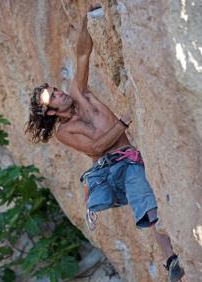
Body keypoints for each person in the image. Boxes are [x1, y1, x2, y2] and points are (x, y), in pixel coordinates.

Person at [25, 6, 185, 282]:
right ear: (51, 112)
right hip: (113, 165)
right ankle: (171, 258)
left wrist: (85, 19)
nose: (60, 92)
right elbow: (97, 147)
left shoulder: (80, 94)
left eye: (55, 89)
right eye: (54, 96)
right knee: (143, 198)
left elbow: (83, 53)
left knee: (147, 203)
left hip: (127, 157)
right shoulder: (66, 131)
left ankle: (171, 259)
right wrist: (123, 122)